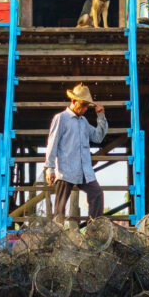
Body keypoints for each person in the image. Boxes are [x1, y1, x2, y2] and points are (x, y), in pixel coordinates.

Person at [43, 83, 108, 221]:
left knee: (96, 193)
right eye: (83, 105)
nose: (85, 109)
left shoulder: (83, 121)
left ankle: (94, 231)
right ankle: (57, 235)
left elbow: (97, 137)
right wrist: (49, 168)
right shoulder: (61, 118)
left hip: (84, 170)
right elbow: (52, 143)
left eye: (86, 106)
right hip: (66, 169)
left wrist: (101, 117)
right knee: (60, 207)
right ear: (73, 101)